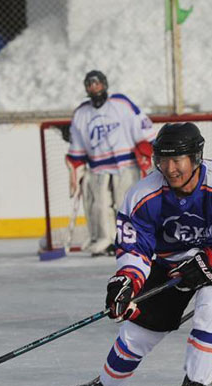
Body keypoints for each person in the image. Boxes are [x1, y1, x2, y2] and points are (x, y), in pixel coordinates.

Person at [77, 122, 212, 386]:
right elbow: (135, 248)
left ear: (196, 157)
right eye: (163, 160)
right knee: (137, 331)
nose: (170, 168)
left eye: (177, 159)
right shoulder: (143, 194)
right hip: (174, 263)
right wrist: (126, 280)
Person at [66, 70, 155, 256]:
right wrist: (76, 166)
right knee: (99, 206)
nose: (94, 87)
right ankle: (104, 241)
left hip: (126, 164)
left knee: (126, 203)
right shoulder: (81, 114)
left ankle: (130, 239)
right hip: (98, 168)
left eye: (97, 83)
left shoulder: (121, 104)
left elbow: (143, 128)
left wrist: (146, 148)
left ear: (104, 85)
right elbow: (77, 149)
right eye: (89, 84)